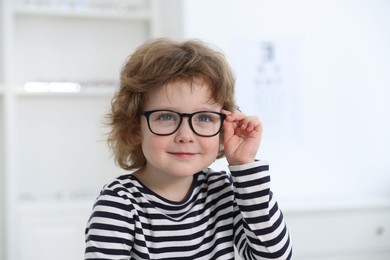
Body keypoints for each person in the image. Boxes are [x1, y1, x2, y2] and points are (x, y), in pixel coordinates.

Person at [84, 38, 292, 260]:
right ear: (136, 129)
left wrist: (244, 165)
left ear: (223, 127)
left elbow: (273, 256)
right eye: (166, 116)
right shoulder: (119, 205)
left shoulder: (223, 191)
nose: (185, 135)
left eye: (203, 117)